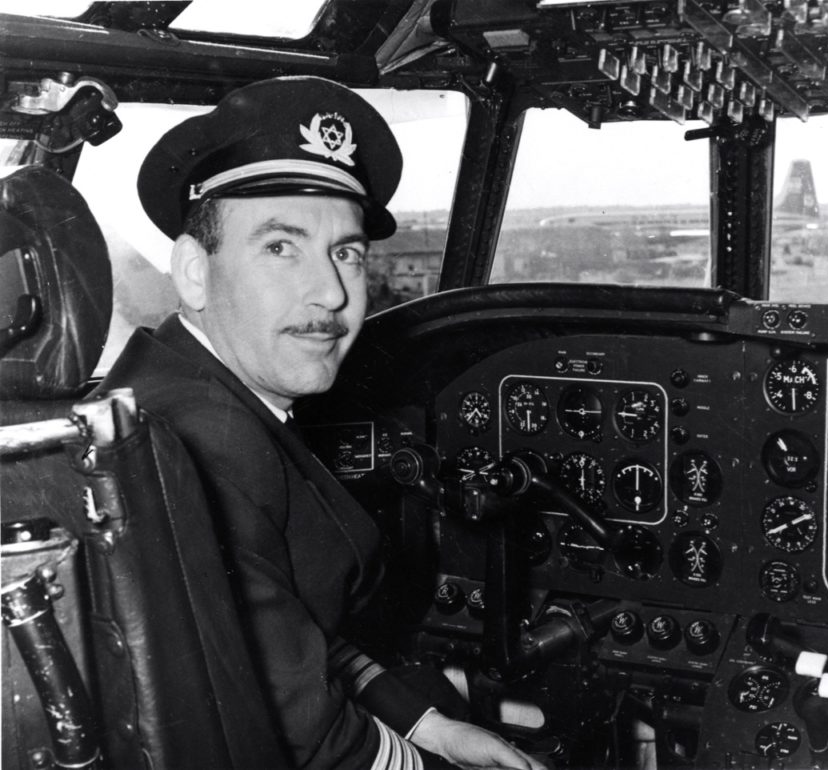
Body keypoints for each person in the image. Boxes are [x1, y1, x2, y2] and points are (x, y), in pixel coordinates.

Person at [99, 76, 543, 770]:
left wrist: (432, 727)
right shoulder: (201, 439)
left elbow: (291, 632)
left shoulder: (197, 391)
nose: (332, 292)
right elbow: (309, 740)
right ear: (193, 271)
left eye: (348, 253)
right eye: (281, 247)